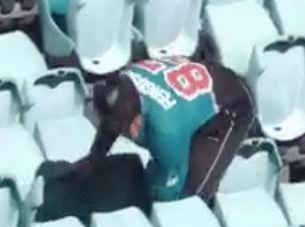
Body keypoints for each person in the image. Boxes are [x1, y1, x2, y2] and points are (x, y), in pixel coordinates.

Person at [71, 56, 256, 202]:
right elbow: (112, 122)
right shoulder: (125, 84)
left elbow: (171, 195)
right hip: (193, 92)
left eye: (124, 129)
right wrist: (93, 159)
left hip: (230, 106)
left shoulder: (165, 132)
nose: (122, 134)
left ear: (137, 119)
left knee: (190, 198)